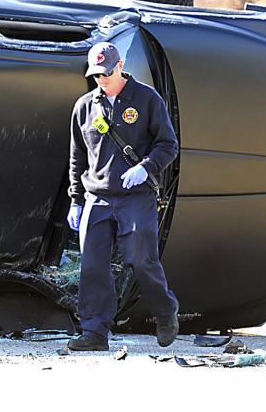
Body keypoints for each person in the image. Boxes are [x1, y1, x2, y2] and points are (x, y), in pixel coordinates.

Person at [66, 42, 179, 351]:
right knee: (92, 268)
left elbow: (168, 144)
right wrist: (76, 199)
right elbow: (77, 157)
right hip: (97, 198)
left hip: (135, 196)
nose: (101, 80)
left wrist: (147, 166)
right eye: (95, 75)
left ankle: (166, 312)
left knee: (141, 261)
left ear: (119, 67)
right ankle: (94, 332)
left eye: (105, 73)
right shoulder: (85, 107)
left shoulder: (146, 99)